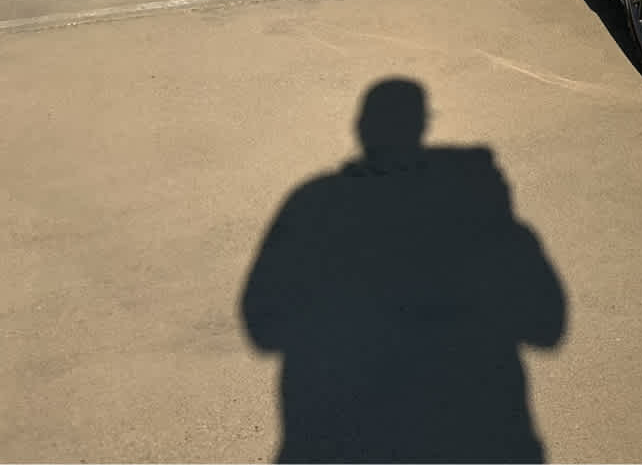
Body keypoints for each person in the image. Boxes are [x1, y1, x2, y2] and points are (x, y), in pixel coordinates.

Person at [241, 79, 566, 463]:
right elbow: (547, 327)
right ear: (422, 125)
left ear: (361, 128)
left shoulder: (312, 204)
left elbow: (263, 326)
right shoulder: (482, 214)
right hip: (478, 436)